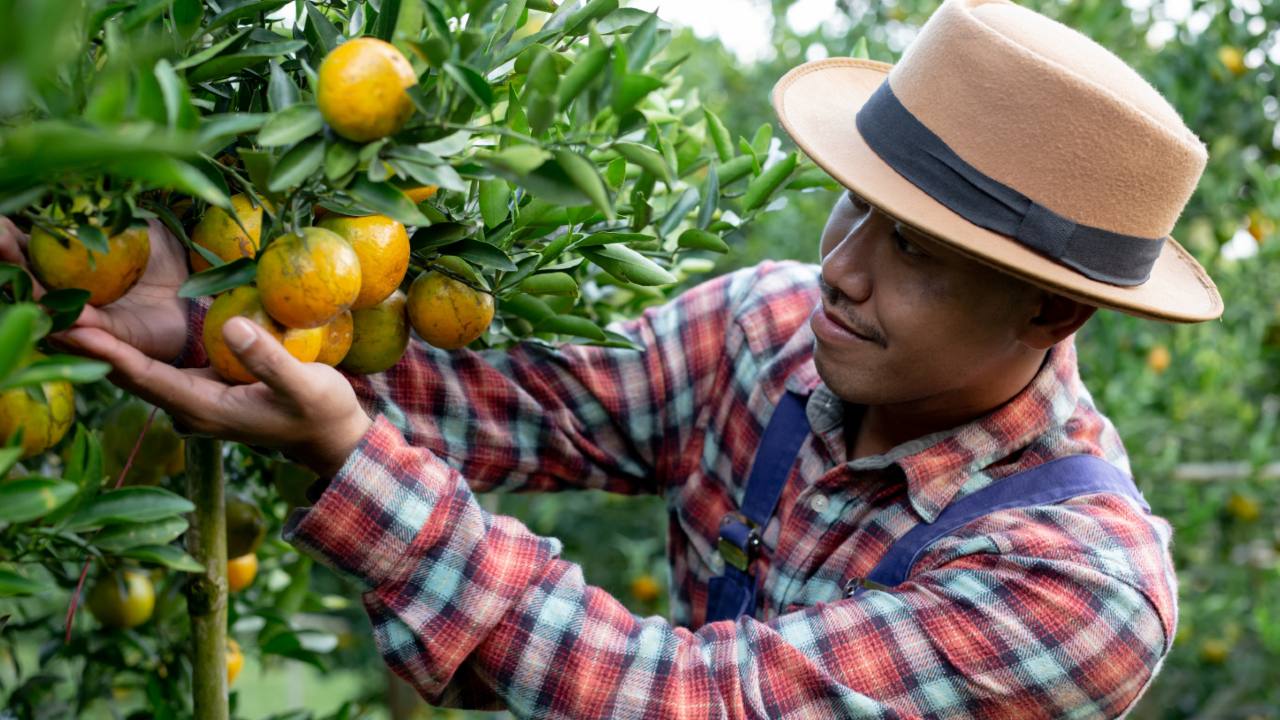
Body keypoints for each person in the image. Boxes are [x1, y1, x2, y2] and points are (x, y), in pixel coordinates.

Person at [0, 0, 1223, 716]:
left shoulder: (1075, 591)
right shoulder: (769, 331)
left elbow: (678, 702)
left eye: (916, 254)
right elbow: (512, 398)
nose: (840, 268)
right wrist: (218, 309)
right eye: (852, 208)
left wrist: (350, 465)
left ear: (1047, 318)